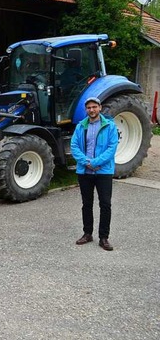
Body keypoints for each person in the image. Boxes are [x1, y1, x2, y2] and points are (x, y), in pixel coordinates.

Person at [70, 97, 119, 251]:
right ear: (86, 110)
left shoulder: (109, 126)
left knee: (105, 204)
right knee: (87, 204)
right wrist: (86, 162)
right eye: (88, 108)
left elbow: (112, 148)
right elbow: (74, 146)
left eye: (94, 107)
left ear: (100, 107)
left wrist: (96, 162)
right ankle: (87, 233)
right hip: (85, 171)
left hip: (103, 171)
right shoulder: (80, 127)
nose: (91, 110)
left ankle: (104, 237)